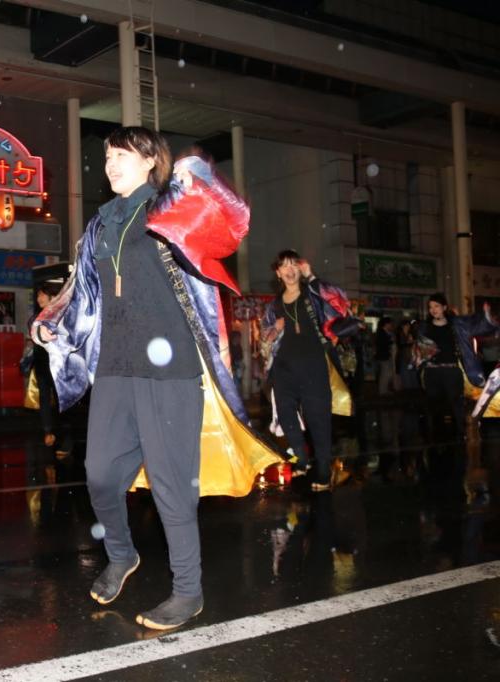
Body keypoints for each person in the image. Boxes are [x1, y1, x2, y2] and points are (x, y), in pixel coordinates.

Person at [33, 127, 281, 631]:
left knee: (172, 488)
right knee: (99, 473)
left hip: (170, 369)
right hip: (116, 368)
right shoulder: (101, 223)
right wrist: (52, 321)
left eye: (122, 155)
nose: (111, 164)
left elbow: (230, 223)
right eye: (107, 157)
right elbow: (83, 292)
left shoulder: (173, 210)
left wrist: (200, 176)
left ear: (151, 162)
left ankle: (188, 592)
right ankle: (122, 555)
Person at [261, 250, 358, 491]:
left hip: (314, 364)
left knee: (318, 420)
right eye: (284, 266)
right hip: (284, 367)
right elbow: (266, 337)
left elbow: (339, 300)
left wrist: (312, 277)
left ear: (300, 269)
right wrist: (273, 330)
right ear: (278, 272)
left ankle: (324, 472)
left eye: (294, 264)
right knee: (284, 412)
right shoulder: (274, 304)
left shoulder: (312, 293)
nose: (290, 269)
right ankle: (302, 458)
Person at [413, 292, 496, 443]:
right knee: (434, 404)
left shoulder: (456, 324)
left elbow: (477, 326)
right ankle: (437, 438)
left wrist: (486, 316)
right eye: (431, 307)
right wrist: (419, 356)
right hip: (432, 371)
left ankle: (460, 435)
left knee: (456, 404)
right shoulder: (425, 327)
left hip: (451, 370)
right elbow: (420, 347)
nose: (433, 310)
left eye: (437, 306)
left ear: (444, 307)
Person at [28, 283, 72, 455]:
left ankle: (66, 438)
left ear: (52, 297)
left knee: (62, 400)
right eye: (38, 295)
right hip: (41, 363)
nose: (39, 299)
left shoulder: (61, 316)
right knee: (44, 398)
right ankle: (48, 431)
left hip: (58, 364)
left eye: (42, 295)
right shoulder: (36, 318)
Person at [374, 317, 396, 395]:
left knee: (386, 373)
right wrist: (390, 341)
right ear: (386, 324)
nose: (391, 325)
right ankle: (383, 390)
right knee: (385, 373)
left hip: (385, 355)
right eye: (390, 323)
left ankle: (384, 389)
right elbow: (383, 344)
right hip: (383, 355)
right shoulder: (382, 333)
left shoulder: (384, 332)